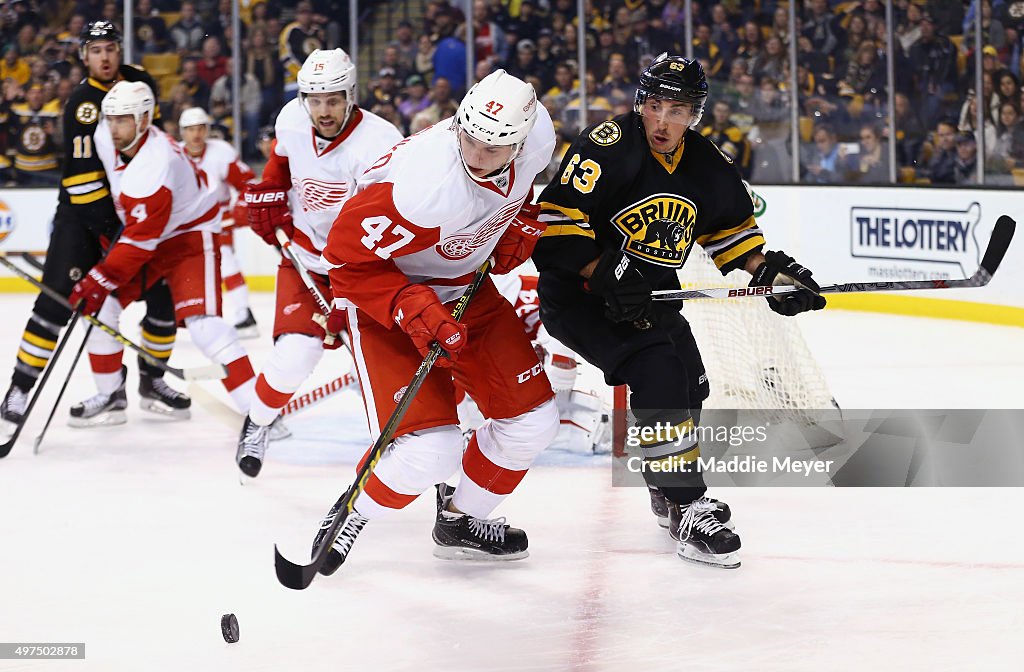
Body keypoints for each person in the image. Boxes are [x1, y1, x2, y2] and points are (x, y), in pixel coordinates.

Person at [532, 54, 826, 569]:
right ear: (640, 103)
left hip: (651, 296)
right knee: (657, 371)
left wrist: (772, 276)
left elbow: (731, 236)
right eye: (655, 105)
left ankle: (666, 491)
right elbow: (555, 224)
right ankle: (690, 503)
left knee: (691, 382)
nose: (663, 121)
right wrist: (605, 271)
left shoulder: (706, 162)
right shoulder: (608, 146)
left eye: (678, 109)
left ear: (696, 113)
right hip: (579, 297)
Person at [312, 69, 559, 573]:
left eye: (492, 149)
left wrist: (519, 218)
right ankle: (353, 510)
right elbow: (343, 260)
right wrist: (409, 304)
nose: (475, 156)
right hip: (391, 294)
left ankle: (461, 520)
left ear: (521, 139)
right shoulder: (423, 188)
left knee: (533, 423)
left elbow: (521, 192)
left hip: (466, 286)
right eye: (468, 139)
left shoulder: (539, 137)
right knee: (432, 450)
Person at [0, 21, 187, 433]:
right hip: (85, 221)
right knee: (54, 305)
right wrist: (109, 232)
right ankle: (19, 388)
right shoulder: (82, 104)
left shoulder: (140, 81)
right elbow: (82, 180)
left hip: (132, 221)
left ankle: (152, 381)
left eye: (110, 48)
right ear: (83, 56)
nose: (104, 57)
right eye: (96, 50)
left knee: (163, 304)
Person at [233, 49, 403, 478]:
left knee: (381, 367)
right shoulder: (291, 119)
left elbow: (382, 219)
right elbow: (280, 164)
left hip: (365, 270)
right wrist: (269, 192)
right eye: (315, 99)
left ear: (351, 95)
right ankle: (257, 422)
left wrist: (349, 294)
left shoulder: (380, 143)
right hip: (306, 258)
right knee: (295, 354)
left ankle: (409, 448)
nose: (323, 111)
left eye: (333, 99)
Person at [68, 81, 257, 421]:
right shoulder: (105, 137)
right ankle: (110, 394)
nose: (113, 128)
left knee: (204, 326)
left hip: (189, 238)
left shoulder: (156, 162)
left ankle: (260, 414)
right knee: (101, 308)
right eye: (110, 119)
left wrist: (98, 278)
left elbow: (140, 241)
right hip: (153, 234)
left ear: (143, 120)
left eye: (122, 120)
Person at [178, 106, 260, 338]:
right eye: (191, 129)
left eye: (201, 128)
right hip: (185, 222)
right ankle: (173, 314)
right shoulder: (174, 154)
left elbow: (246, 183)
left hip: (216, 219)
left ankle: (244, 314)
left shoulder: (220, 152)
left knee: (226, 260)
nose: (196, 135)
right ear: (182, 132)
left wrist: (241, 208)